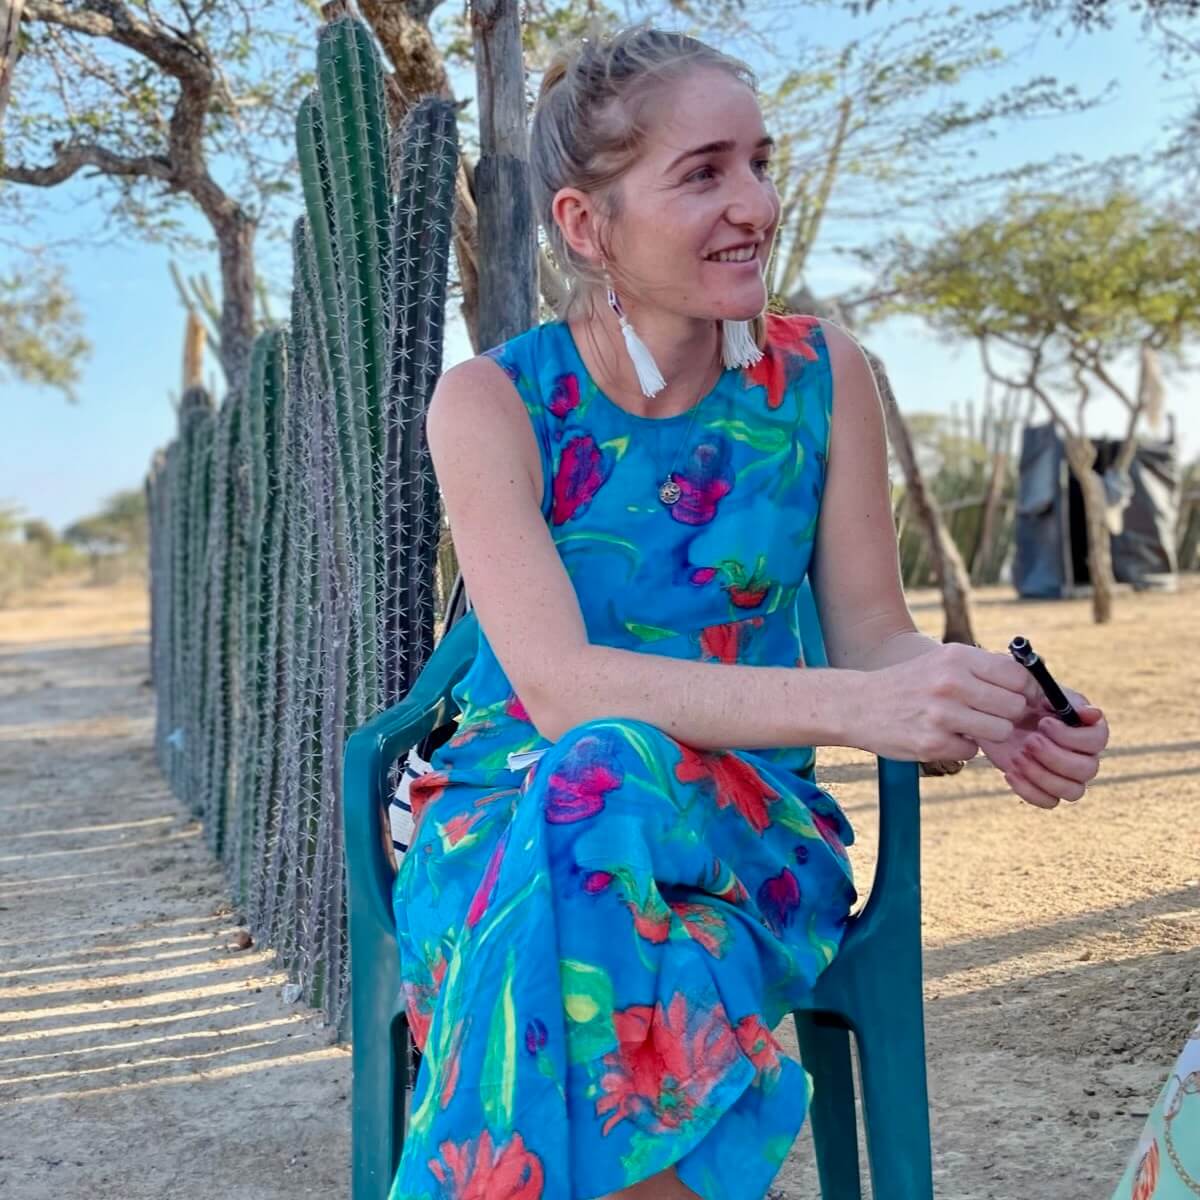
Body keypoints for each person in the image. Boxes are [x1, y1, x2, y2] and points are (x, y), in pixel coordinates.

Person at [389, 26, 1110, 1200]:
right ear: (585, 227)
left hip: (744, 827)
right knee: (607, 794)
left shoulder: (824, 377)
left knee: (600, 825)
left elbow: (877, 640)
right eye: (704, 172)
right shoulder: (491, 402)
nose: (757, 204)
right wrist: (865, 703)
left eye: (759, 162)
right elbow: (563, 691)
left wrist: (983, 708)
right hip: (506, 818)